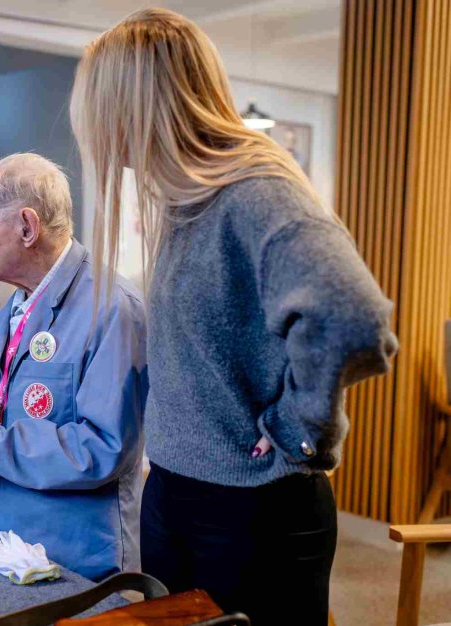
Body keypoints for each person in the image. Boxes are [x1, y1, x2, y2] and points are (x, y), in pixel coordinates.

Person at [69, 9, 398, 624]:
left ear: (138, 104)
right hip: (177, 493)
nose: (96, 127)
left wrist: (300, 430)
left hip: (252, 512)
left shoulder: (255, 190)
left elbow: (353, 317)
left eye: (102, 107)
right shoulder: (184, 196)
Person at [0, 153, 147, 580]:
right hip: (8, 545)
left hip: (77, 563)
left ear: (27, 227)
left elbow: (103, 449)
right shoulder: (18, 303)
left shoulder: (112, 309)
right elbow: (8, 409)